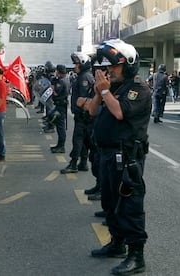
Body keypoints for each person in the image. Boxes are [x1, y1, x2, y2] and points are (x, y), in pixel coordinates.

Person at [88, 39, 151, 275]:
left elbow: (119, 112)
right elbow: (93, 111)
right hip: (106, 155)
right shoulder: (112, 89)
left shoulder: (138, 89)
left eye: (114, 66)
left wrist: (104, 90)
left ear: (129, 65)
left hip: (126, 158)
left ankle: (137, 256)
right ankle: (117, 244)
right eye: (107, 67)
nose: (108, 70)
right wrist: (99, 92)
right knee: (110, 203)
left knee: (129, 206)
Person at [60, 52, 95, 172]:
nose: (75, 66)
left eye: (77, 64)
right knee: (84, 139)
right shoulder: (84, 76)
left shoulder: (84, 78)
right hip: (83, 115)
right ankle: (83, 163)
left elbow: (84, 99)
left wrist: (80, 110)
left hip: (83, 115)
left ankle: (74, 163)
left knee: (78, 139)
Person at [50, 65, 70, 153]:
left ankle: (61, 146)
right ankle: (59, 145)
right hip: (61, 105)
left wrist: (52, 89)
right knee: (58, 125)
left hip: (61, 105)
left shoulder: (61, 81)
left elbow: (55, 93)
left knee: (60, 127)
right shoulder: (65, 79)